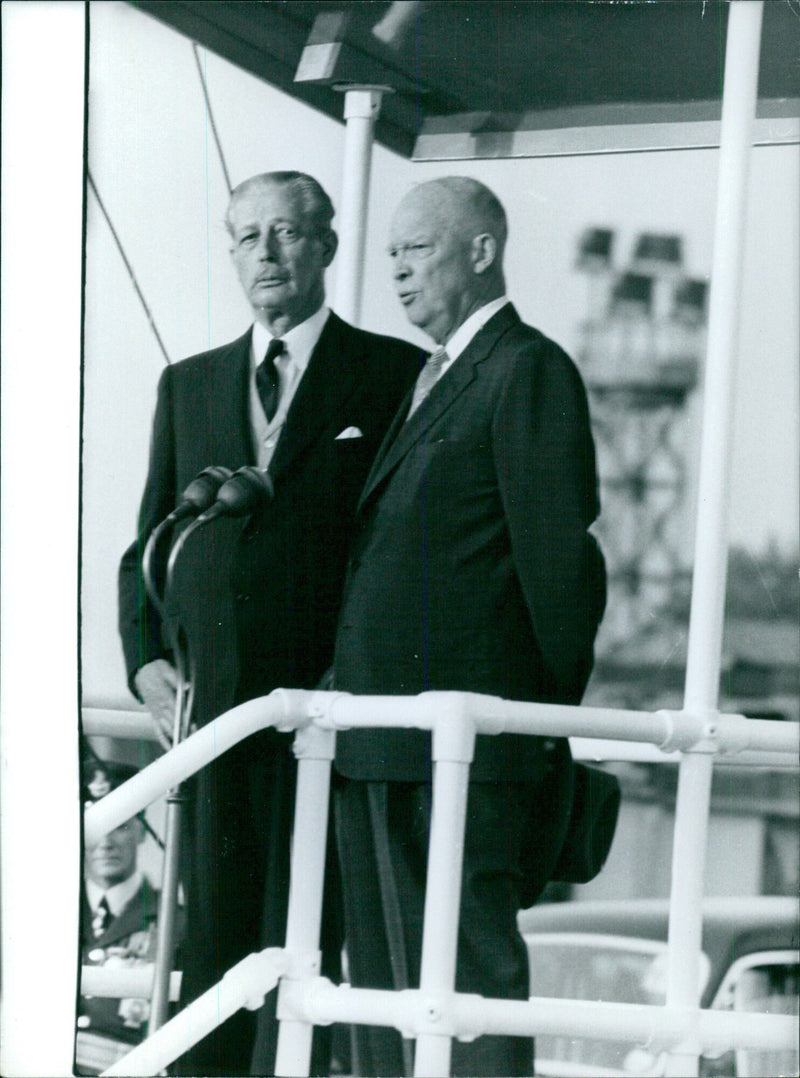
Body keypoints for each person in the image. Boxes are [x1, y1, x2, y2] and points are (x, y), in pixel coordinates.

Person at [117, 171, 421, 1075]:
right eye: (246, 236)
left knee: (310, 947)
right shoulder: (189, 385)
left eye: (286, 233)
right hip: (211, 718)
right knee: (210, 943)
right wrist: (143, 663)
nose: (267, 254)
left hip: (329, 716)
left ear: (325, 246)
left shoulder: (392, 376)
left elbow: (397, 544)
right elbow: (148, 542)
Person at [332, 176, 606, 1077]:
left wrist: (529, 733)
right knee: (381, 996)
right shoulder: (434, 375)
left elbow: (562, 572)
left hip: (463, 752)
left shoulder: (525, 370)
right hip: (383, 744)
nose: (398, 272)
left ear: (480, 252)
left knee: (466, 988)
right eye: (393, 255)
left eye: (417, 249)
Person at [77, 758, 169, 1076]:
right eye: (94, 826)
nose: (105, 843)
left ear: (142, 831)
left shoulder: (174, 922)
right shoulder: (49, 917)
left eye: (120, 826)